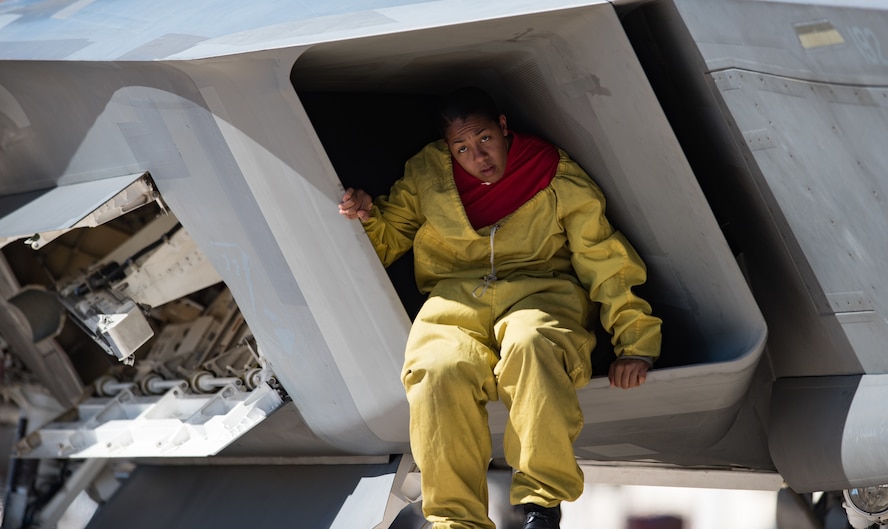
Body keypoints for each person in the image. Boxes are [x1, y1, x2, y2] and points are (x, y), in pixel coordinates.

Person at [339, 87, 661, 529]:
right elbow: (390, 240)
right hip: (455, 301)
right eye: (463, 148)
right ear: (448, 148)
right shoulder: (429, 174)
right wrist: (364, 216)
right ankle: (454, 520)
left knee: (532, 343)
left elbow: (604, 259)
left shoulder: (552, 173)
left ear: (504, 127)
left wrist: (636, 343)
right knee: (436, 367)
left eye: (485, 139)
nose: (479, 156)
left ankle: (542, 506)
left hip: (541, 292)